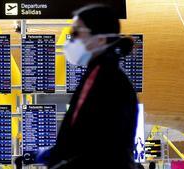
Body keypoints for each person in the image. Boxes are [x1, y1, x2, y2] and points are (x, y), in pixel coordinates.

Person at [46, 4, 139, 169]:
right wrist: (54, 154)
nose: (71, 40)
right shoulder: (95, 75)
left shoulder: (111, 83)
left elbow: (104, 151)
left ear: (100, 39)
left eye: (76, 33)